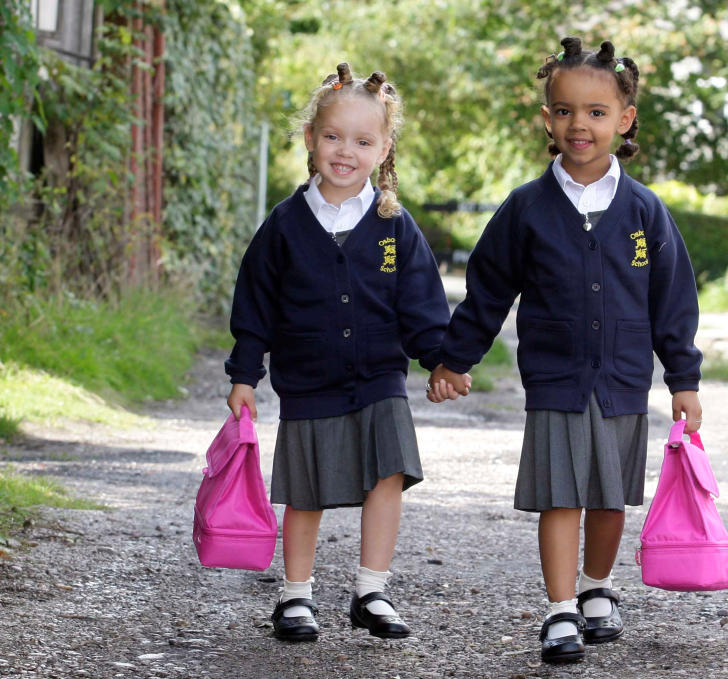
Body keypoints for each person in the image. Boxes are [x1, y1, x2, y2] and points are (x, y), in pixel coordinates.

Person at [427, 37, 703, 664]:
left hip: (625, 381)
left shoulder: (645, 212)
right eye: (565, 110)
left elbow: (674, 300)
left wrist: (682, 377)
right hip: (554, 379)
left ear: (624, 120)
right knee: (561, 495)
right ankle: (558, 611)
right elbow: (487, 291)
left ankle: (597, 589)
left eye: (597, 112)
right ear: (547, 118)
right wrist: (456, 358)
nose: (580, 124)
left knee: (608, 497)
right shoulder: (526, 210)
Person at [225, 63, 454, 642]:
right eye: (332, 137)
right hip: (308, 379)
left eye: (362, 140)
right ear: (310, 139)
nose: (345, 151)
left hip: (378, 377)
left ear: (383, 149)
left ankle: (371, 589)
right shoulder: (284, 226)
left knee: (389, 475)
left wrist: (440, 360)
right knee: (306, 490)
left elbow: (422, 303)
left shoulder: (393, 225)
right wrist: (245, 374)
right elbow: (255, 305)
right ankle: (295, 595)